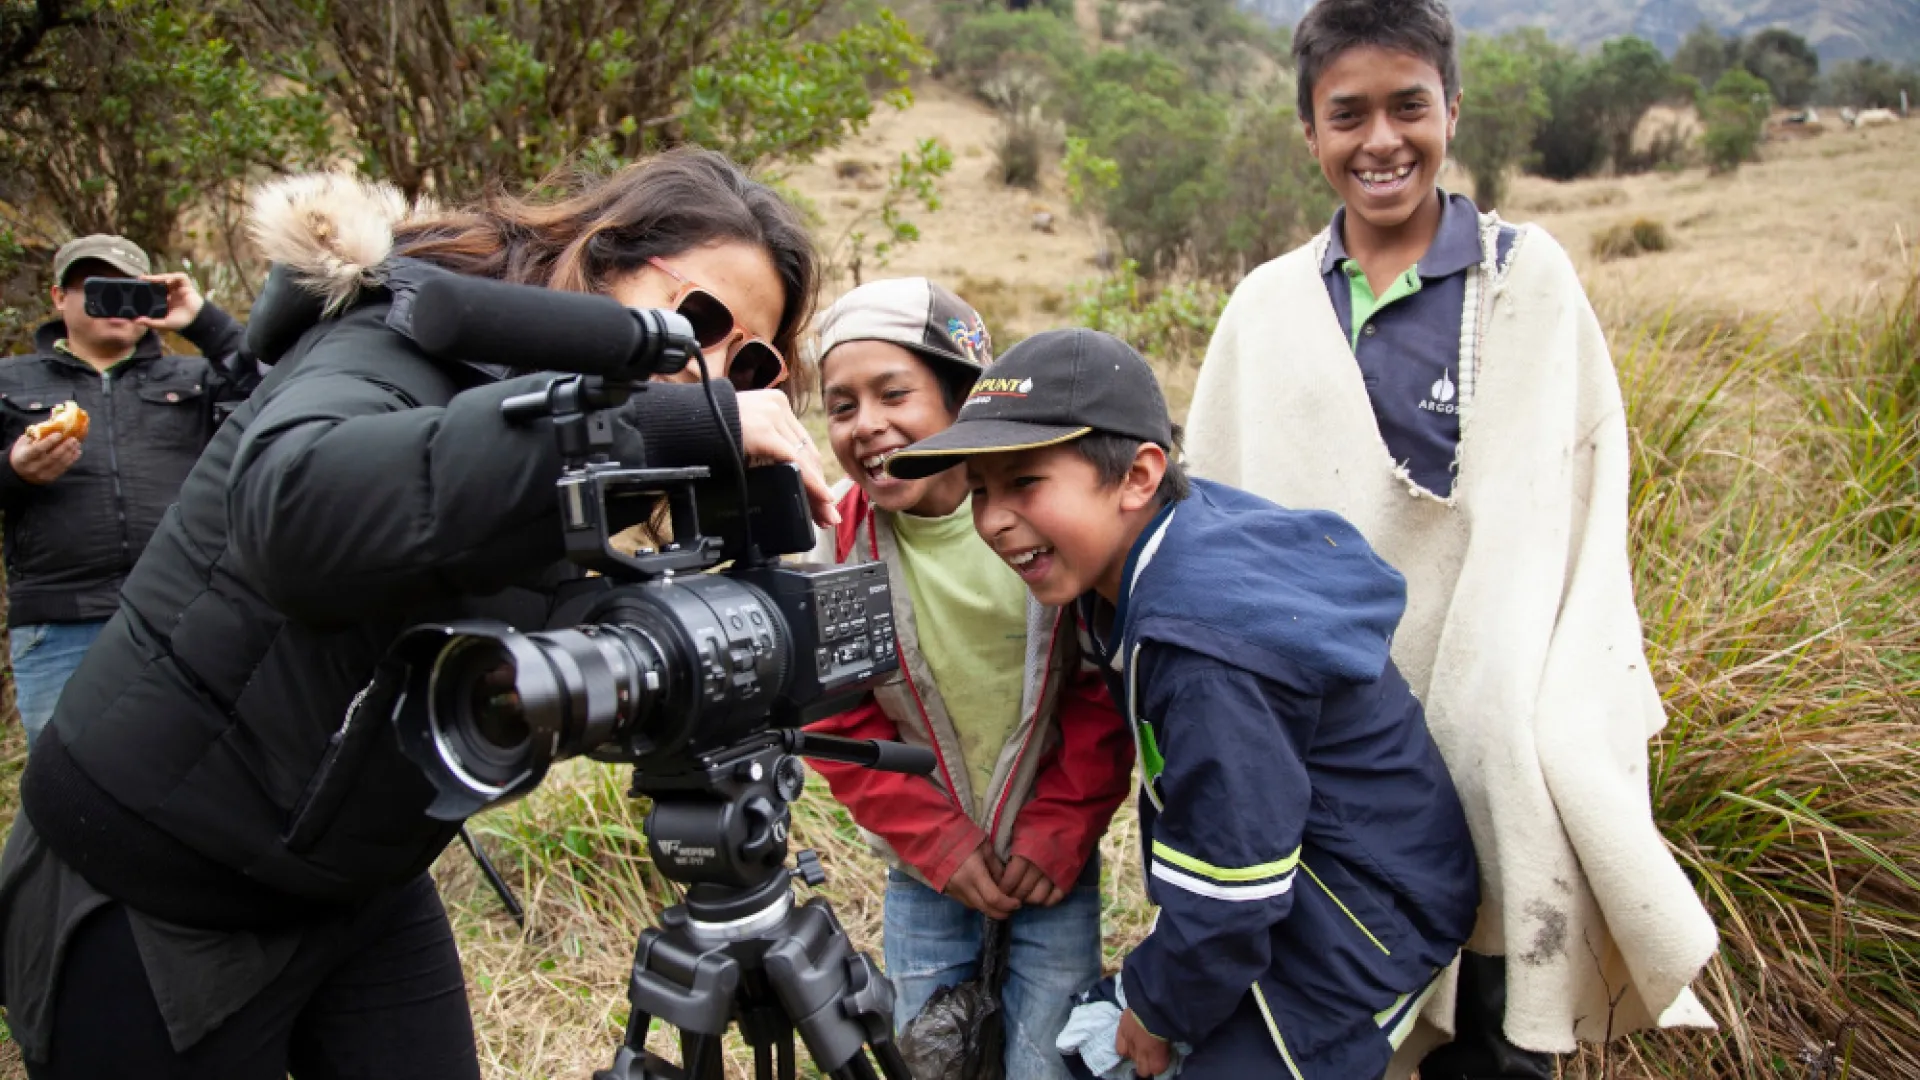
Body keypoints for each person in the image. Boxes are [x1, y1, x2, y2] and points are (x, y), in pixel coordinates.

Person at [0, 149, 838, 1079]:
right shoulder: (394, 336)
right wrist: (665, 428)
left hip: (366, 879)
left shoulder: (574, 441)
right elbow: (297, 517)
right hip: (155, 884)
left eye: (747, 360)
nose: (710, 369)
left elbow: (532, 637)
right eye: (700, 320)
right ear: (599, 257)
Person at [1181, 0, 1721, 1073]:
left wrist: (1532, 699)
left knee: (1492, 1026)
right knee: (1342, 1011)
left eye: (1407, 107)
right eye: (1348, 116)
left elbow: (1563, 511)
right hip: (1331, 742)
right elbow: (1224, 525)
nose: (1381, 141)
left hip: (1494, 725)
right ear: (1310, 134)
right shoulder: (1267, 309)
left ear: (1452, 110)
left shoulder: (1526, 283)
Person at [884, 329, 1480, 1079]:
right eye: (979, 491)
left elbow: (1234, 889)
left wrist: (1156, 1012)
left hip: (1361, 920)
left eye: (1025, 483)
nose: (995, 520)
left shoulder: (1200, 646)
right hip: (1310, 877)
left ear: (1138, 475)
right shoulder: (1163, 546)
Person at [800, 279, 1131, 1079]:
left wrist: (1059, 829)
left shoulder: (1037, 524)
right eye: (842, 406)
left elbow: (1099, 694)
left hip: (1052, 857)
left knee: (1046, 1052)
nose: (867, 425)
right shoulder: (837, 550)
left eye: (893, 393)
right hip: (925, 868)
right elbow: (843, 727)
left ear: (963, 401)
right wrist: (940, 846)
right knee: (929, 1051)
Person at [0, 235, 261, 748]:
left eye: (131, 290)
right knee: (65, 782)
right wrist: (14, 470)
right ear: (58, 297)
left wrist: (204, 321)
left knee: (190, 769)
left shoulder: (196, 377)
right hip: (59, 625)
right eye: (99, 289)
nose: (117, 303)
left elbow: (275, 391)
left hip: (181, 614)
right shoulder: (10, 381)